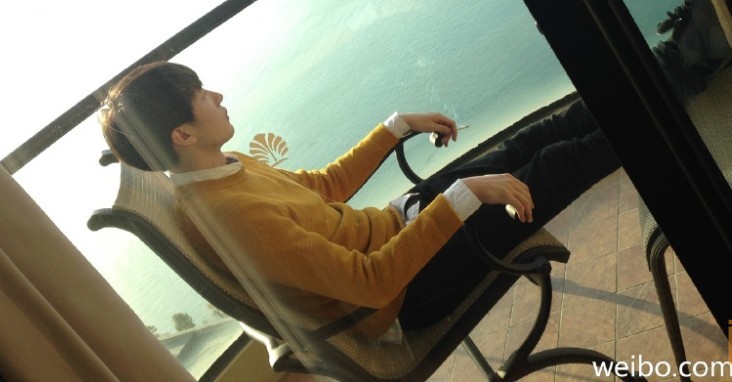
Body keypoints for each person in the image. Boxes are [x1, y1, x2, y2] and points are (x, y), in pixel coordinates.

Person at [100, 61, 623, 340]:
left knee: (530, 142)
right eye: (202, 97)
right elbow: (371, 285)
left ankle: (657, 68)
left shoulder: (223, 167)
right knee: (554, 164)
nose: (218, 96)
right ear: (183, 135)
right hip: (407, 294)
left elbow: (323, 187)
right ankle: (659, 102)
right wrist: (460, 199)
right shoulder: (228, 216)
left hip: (399, 230)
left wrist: (395, 127)